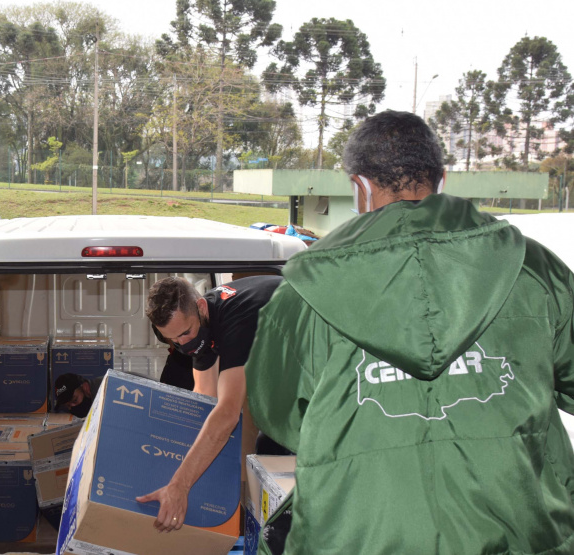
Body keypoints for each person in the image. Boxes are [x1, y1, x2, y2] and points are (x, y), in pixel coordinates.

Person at [246, 110, 574, 554]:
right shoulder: (535, 270)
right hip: (524, 530)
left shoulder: (303, 296)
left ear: (360, 187)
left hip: (362, 535)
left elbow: (280, 415)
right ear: (440, 179)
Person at [136, 275, 282, 532]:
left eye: (184, 333)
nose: (183, 344)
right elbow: (203, 398)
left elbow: (227, 414)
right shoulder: (200, 326)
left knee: (271, 453)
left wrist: (180, 486)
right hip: (290, 371)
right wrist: (169, 461)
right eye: (173, 340)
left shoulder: (238, 317)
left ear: (201, 308)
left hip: (336, 360)